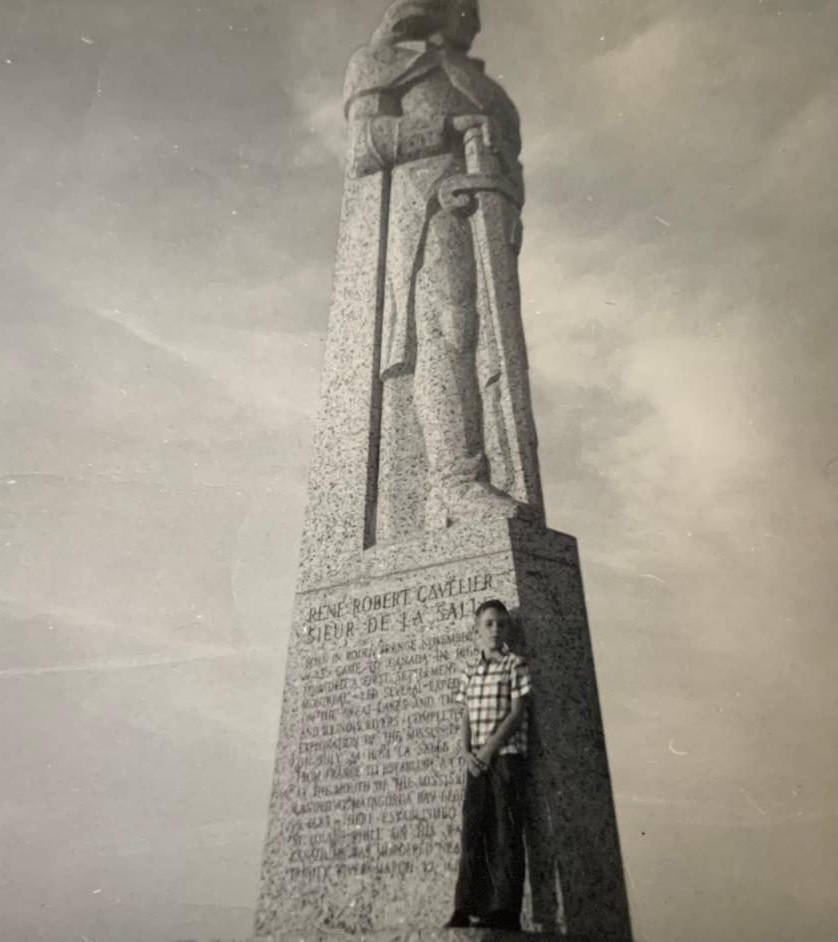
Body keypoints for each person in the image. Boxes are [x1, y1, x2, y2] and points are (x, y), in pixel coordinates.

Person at [344, 0, 543, 528]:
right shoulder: (385, 62)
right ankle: (456, 481)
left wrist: (511, 203)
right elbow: (363, 148)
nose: (473, 17)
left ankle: (463, 486)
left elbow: (512, 166)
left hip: (485, 218)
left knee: (488, 349)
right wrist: (445, 127)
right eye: (461, 4)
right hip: (427, 207)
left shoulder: (493, 94)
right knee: (448, 329)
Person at [446, 598, 531, 930]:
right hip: (477, 763)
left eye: (501, 624)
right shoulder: (470, 669)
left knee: (505, 831)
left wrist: (489, 749)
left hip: (506, 757)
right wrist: (467, 751)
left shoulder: (514, 664)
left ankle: (505, 909)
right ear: (477, 631)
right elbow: (466, 714)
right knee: (473, 832)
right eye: (489, 624)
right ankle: (465, 907)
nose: (496, 629)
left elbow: (517, 712)